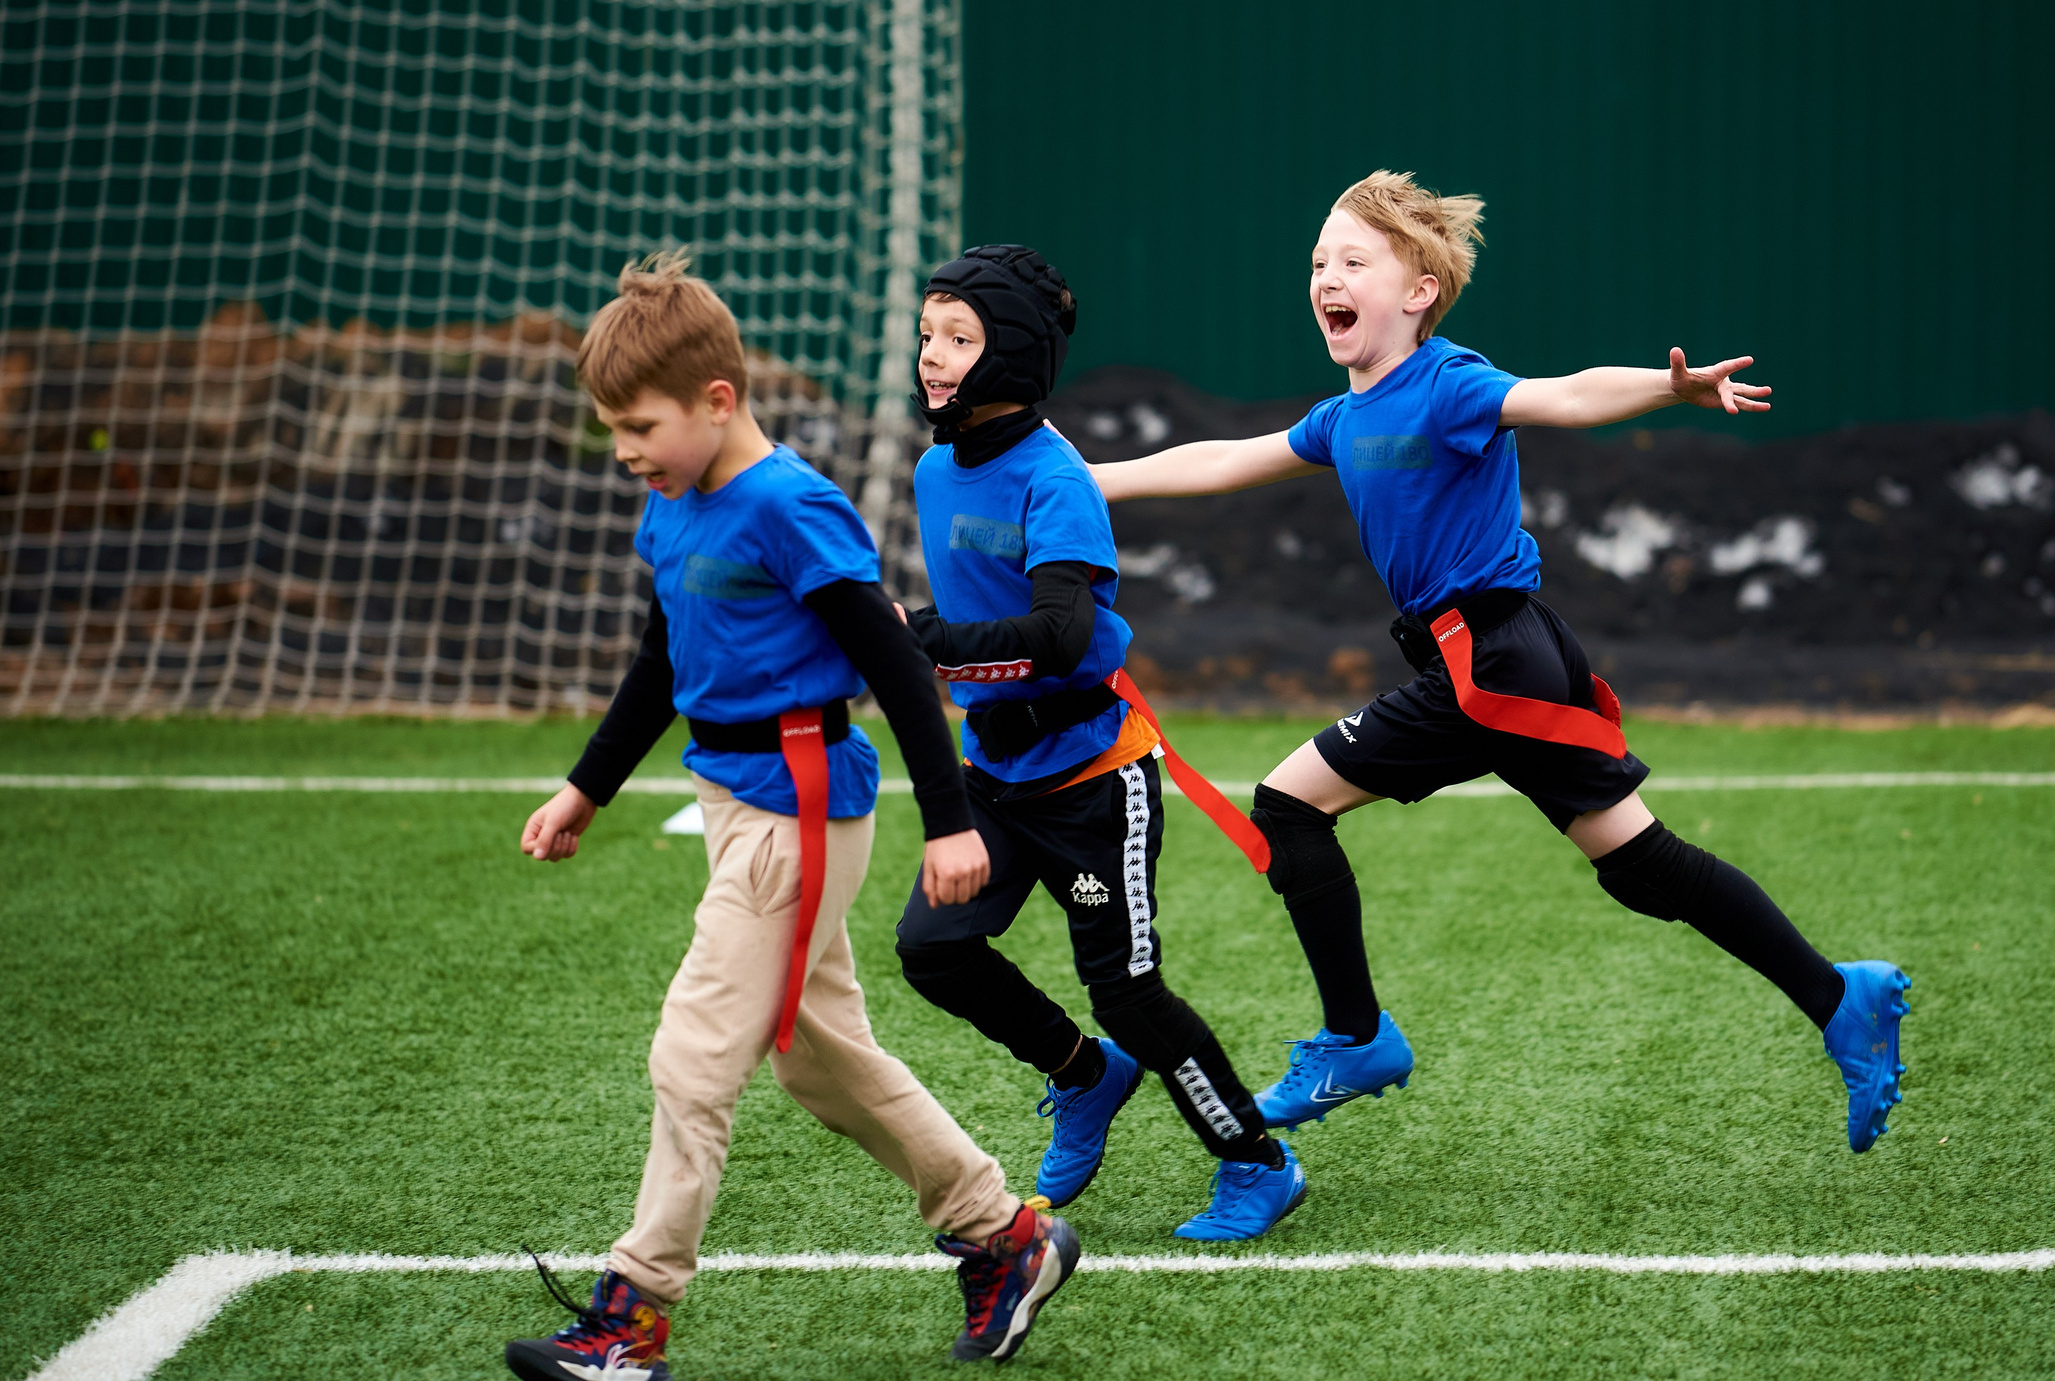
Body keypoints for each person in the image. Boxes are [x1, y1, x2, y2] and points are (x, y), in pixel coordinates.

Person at [1089, 171, 1911, 1154]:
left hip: (1488, 663)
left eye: (1352, 262)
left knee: (1288, 804)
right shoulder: (1344, 416)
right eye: (1317, 263)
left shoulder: (1449, 385)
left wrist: (1669, 385)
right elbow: (1222, 458)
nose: (1326, 279)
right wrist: (1088, 480)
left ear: (1420, 291)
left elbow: (1562, 395)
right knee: (1640, 864)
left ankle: (1356, 1037)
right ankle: (1841, 997)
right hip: (1502, 655)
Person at [506, 253, 1075, 1378]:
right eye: (613, 427)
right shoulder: (673, 503)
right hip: (732, 800)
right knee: (820, 1061)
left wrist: (950, 821)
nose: (624, 449)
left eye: (640, 425)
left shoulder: (792, 506)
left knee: (692, 1055)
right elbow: (660, 659)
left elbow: (898, 667)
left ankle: (631, 1315)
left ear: (717, 400)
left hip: (798, 808)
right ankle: (1003, 1234)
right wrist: (586, 786)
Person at [892, 244, 1308, 1242]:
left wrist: (923, 640)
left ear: (1012, 353)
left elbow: (1061, 635)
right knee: (932, 949)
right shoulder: (934, 470)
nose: (931, 355)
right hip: (993, 771)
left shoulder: (1056, 477)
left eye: (958, 338)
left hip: (1092, 778)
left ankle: (1258, 1161)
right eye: (926, 334)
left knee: (1126, 991)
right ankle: (1084, 1074)